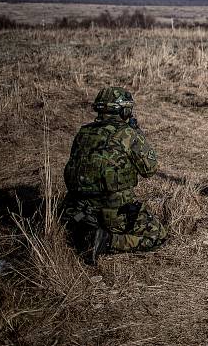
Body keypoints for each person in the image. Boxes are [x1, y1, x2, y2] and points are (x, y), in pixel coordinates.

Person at [62, 87, 167, 263]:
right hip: (114, 214)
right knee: (157, 235)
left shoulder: (83, 133)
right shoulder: (128, 134)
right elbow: (150, 169)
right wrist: (137, 134)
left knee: (75, 225)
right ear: (124, 110)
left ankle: (83, 231)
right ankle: (107, 241)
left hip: (77, 210)